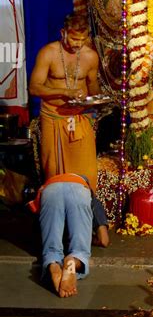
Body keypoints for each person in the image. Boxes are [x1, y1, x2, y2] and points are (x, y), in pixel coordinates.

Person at [29, 15, 100, 192]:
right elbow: (34, 88)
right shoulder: (48, 53)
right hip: (53, 117)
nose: (78, 44)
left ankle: (86, 211)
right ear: (64, 33)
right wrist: (65, 92)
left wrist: (98, 100)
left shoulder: (90, 56)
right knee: (54, 172)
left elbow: (93, 86)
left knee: (87, 172)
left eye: (82, 39)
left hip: (80, 118)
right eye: (74, 38)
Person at [29, 173, 93, 298]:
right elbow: (103, 237)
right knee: (80, 250)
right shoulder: (86, 188)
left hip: (50, 189)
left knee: (51, 249)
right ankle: (74, 260)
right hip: (79, 191)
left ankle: (53, 262)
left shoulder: (54, 179)